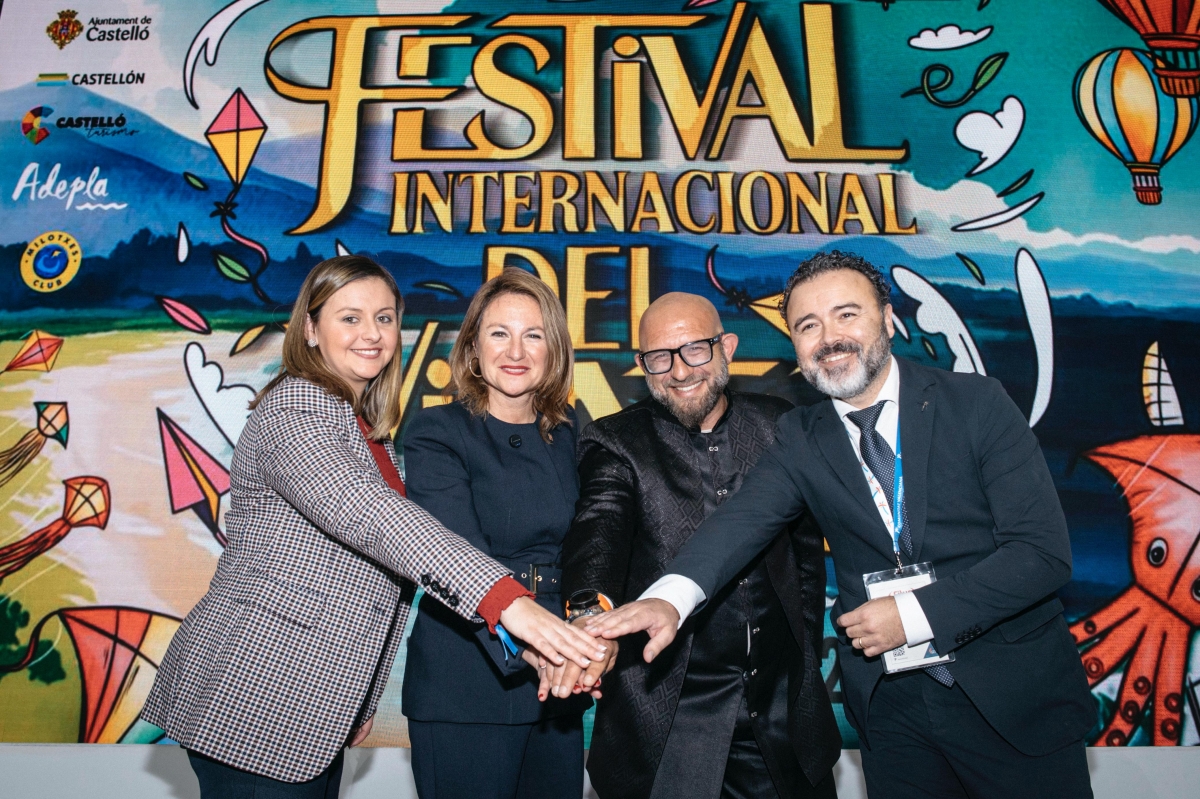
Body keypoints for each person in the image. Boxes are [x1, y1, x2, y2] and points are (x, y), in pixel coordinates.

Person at [587, 252, 1095, 799]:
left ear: (887, 318)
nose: (829, 338)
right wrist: (669, 600)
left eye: (846, 315)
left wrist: (914, 615)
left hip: (1011, 698)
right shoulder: (800, 436)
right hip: (894, 713)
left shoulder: (976, 403)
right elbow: (738, 523)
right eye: (808, 325)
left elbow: (1042, 553)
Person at [141, 256, 606, 798]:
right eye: (350, 318)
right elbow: (377, 520)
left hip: (316, 702)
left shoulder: (363, 427)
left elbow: (376, 578)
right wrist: (509, 603)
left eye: (384, 319)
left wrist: (360, 699)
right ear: (310, 329)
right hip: (257, 691)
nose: (371, 334)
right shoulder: (296, 408)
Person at [558, 293, 840, 799]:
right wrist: (587, 617)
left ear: (726, 347)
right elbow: (596, 538)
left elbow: (806, 560)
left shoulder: (779, 425)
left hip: (785, 722)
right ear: (641, 364)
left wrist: (802, 657)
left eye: (695, 349)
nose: (679, 371)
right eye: (659, 357)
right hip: (670, 727)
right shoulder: (617, 442)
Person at [402, 267, 617, 799]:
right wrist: (535, 647)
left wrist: (588, 633)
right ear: (473, 347)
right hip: (467, 682)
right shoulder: (436, 431)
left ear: (554, 350)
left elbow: (595, 547)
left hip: (558, 683)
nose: (515, 351)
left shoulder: (576, 434)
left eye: (533, 334)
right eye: (499, 333)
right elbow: (455, 555)